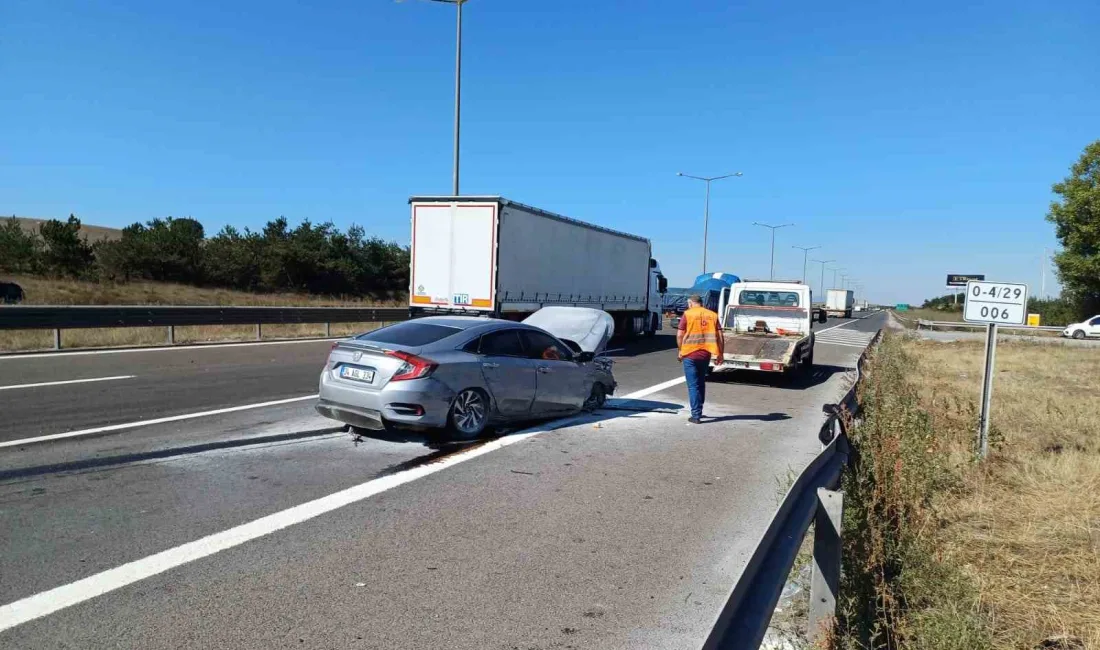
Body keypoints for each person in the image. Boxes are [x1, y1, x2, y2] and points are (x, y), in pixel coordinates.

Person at [677, 294, 723, 424]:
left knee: (693, 385)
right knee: (701, 381)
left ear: (691, 303)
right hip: (705, 354)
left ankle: (696, 415)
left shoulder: (688, 314)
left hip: (689, 354)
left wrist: (680, 350)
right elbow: (720, 335)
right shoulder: (712, 315)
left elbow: (680, 334)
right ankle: (699, 409)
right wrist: (721, 353)